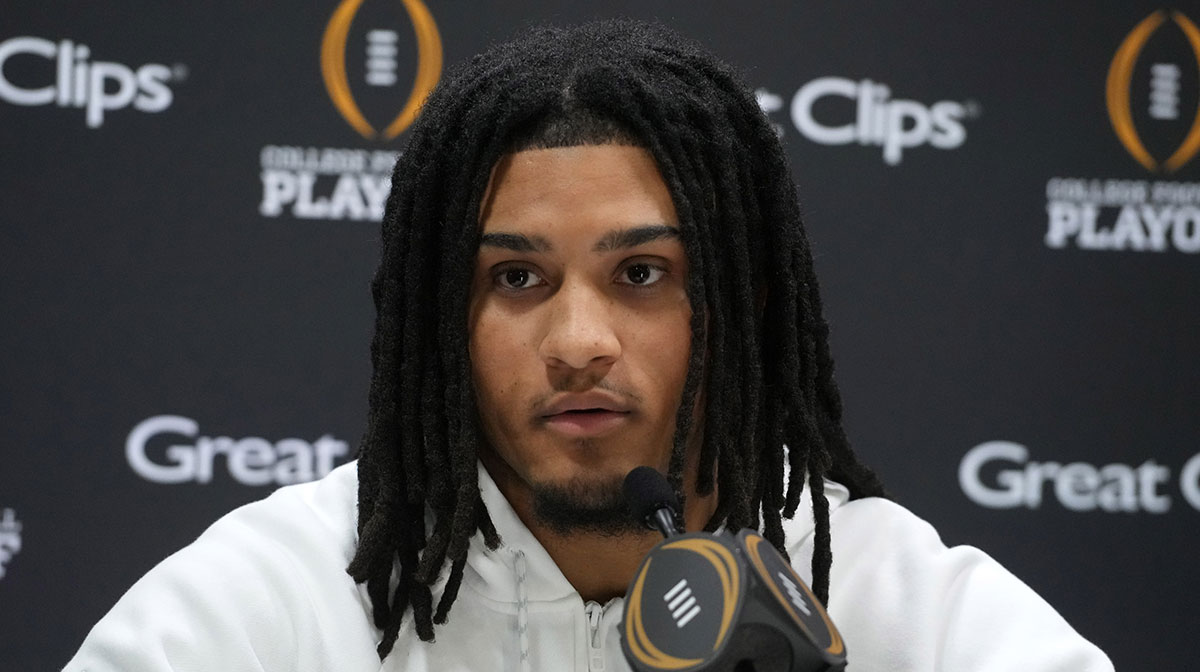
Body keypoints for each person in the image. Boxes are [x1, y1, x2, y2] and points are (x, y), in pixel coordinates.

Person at [65, 20, 1113, 672]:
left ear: (741, 308)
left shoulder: (901, 606)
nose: (578, 342)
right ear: (444, 321)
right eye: (516, 278)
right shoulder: (278, 598)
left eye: (642, 275)